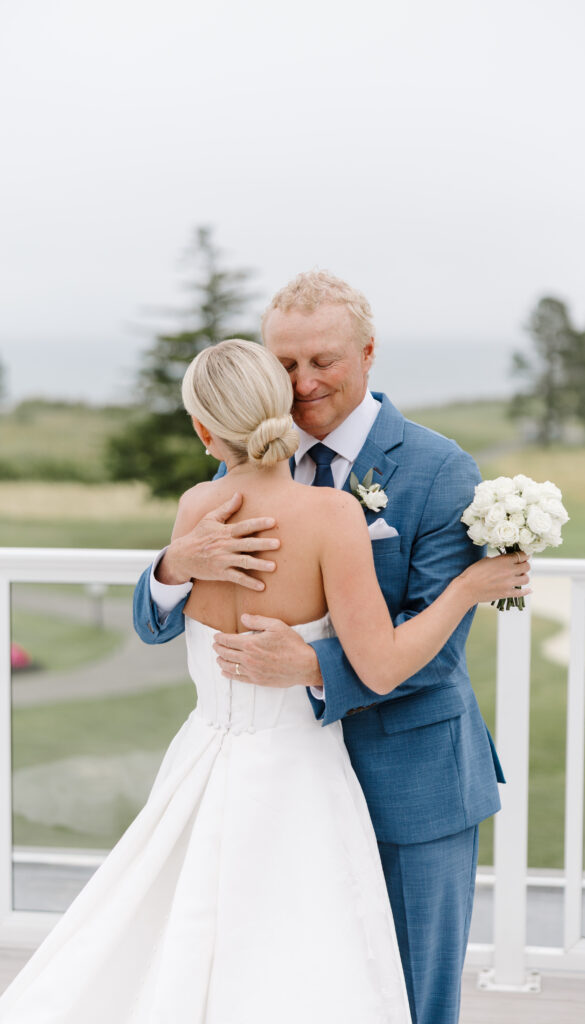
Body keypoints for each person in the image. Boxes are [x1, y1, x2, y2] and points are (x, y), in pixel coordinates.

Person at [0, 338, 528, 1024]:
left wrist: (184, 563)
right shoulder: (330, 516)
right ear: (281, 406)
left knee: (192, 938)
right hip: (299, 770)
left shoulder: (197, 507)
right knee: (308, 959)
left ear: (203, 430)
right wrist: (464, 590)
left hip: (202, 761)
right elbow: (381, 662)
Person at [132, 271, 507, 1024]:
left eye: (321, 361)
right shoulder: (237, 465)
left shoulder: (440, 471)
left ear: (367, 354)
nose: (301, 383)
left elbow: (436, 646)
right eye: (285, 364)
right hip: (281, 787)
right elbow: (161, 618)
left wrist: (310, 666)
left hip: (410, 776)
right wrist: (176, 568)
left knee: (408, 995)